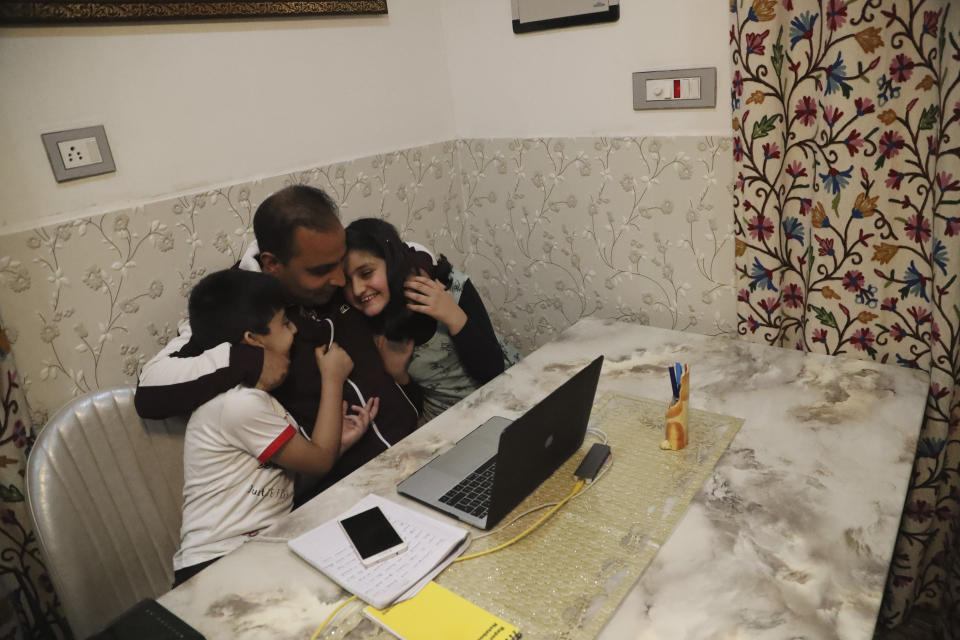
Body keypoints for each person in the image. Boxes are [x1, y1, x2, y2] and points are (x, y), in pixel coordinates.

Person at [135, 186, 421, 505]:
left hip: (418, 448)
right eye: (321, 271)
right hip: (347, 492)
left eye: (339, 261)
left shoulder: (326, 252)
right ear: (272, 264)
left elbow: (407, 250)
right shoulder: (236, 303)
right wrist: (248, 361)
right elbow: (149, 389)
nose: (341, 280)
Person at [172, 269, 376, 586]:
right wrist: (332, 378)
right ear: (253, 340)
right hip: (215, 565)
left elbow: (283, 488)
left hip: (260, 552)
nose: (293, 329)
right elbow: (320, 460)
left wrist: (340, 444)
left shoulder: (260, 402)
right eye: (284, 322)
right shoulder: (238, 405)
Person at [343, 218, 520, 420]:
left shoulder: (450, 287)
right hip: (446, 423)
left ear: (392, 264)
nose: (357, 289)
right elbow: (411, 411)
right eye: (347, 281)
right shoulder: (366, 324)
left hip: (505, 394)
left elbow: (491, 370)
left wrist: (454, 317)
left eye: (366, 273)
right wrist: (398, 375)